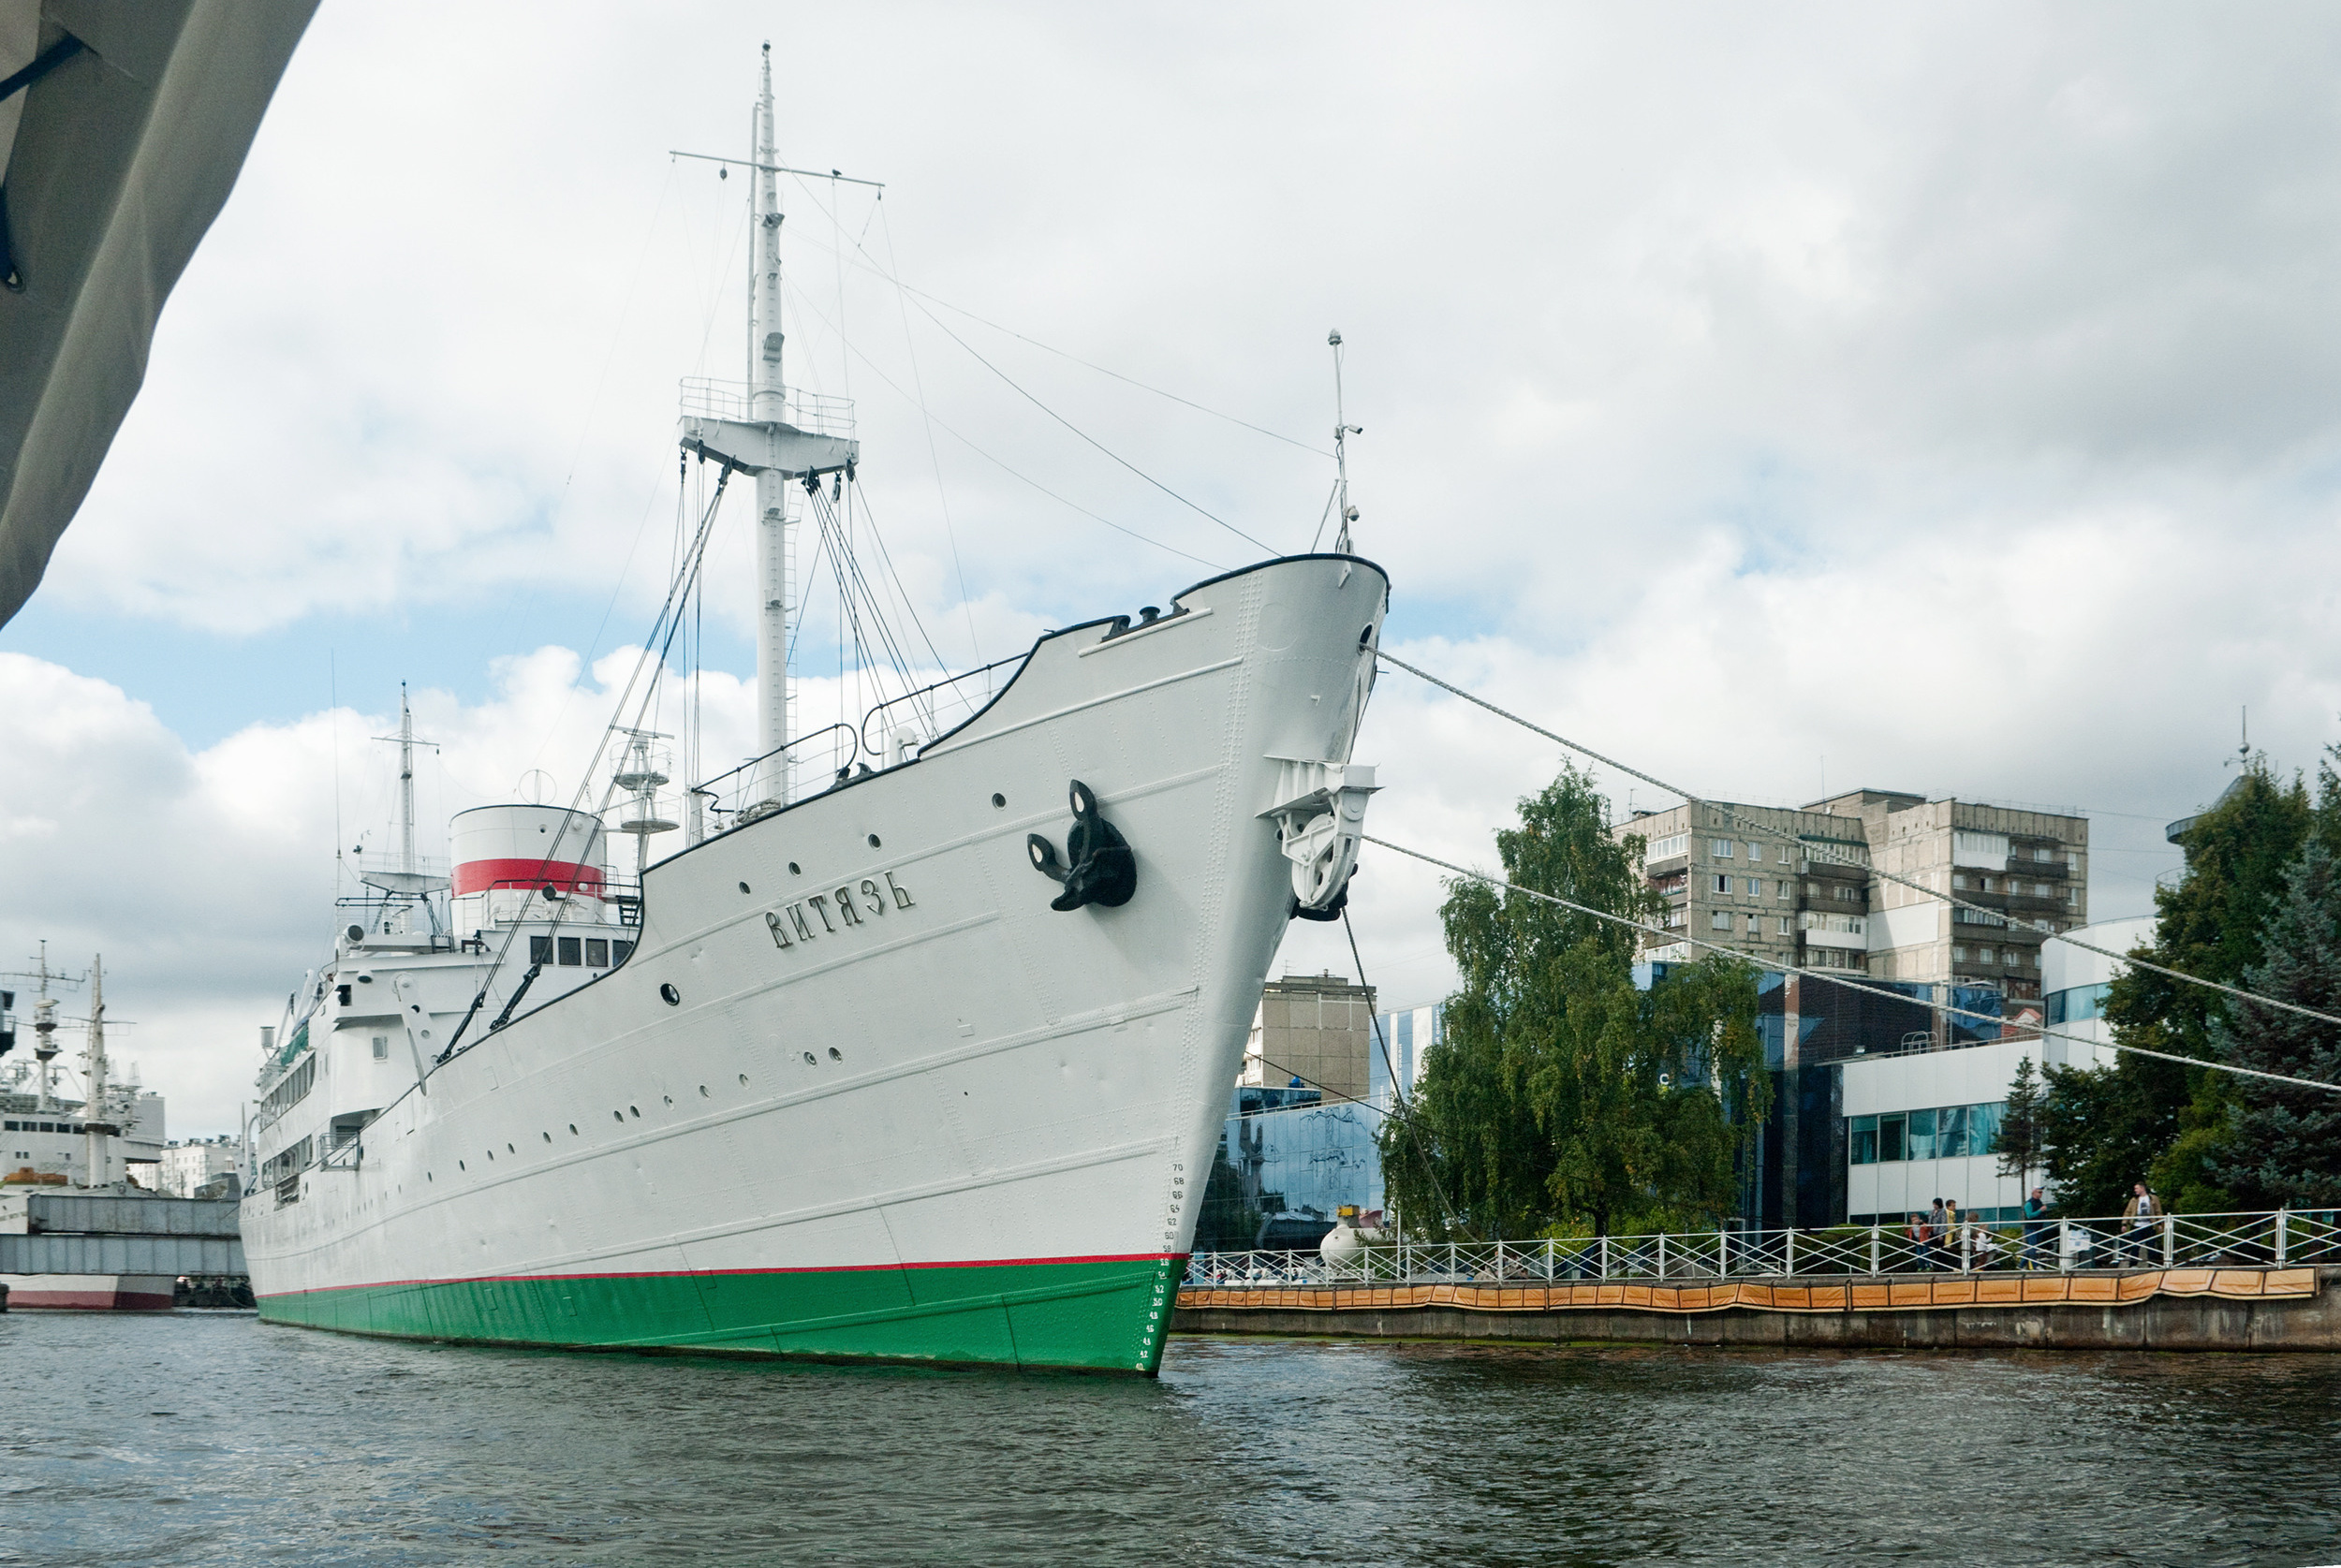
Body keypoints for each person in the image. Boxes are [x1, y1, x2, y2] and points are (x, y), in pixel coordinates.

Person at [2121, 1181, 2160, 1267]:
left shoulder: (2153, 1198)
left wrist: (2160, 1223)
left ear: (2143, 1188)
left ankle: (2152, 1264)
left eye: (2137, 1188)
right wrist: (2124, 1224)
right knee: (2135, 1246)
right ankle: (2133, 1265)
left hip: (2149, 1225)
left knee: (2151, 1246)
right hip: (2137, 1225)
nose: (2135, 1190)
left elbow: (2158, 1211)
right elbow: (2128, 1212)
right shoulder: (2134, 1200)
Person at [2022, 1188, 2050, 1270]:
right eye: (2039, 1192)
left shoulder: (2039, 1202)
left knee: (2033, 1247)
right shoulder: (2029, 1203)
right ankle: (2035, 1265)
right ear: (2034, 1193)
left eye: (2042, 1192)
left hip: (2038, 1227)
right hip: (2031, 1228)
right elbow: (2029, 1215)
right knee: (2032, 1247)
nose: (2041, 1194)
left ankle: (2021, 1264)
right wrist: (2040, 1210)